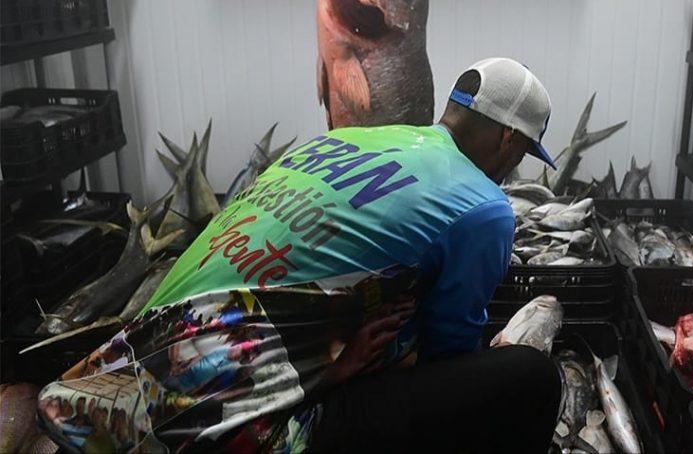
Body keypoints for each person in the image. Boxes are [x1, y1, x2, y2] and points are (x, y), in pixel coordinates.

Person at [38, 58, 562, 453]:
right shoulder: (484, 206)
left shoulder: (347, 140)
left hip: (114, 382)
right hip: (224, 430)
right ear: (508, 140)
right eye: (521, 151)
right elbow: (451, 356)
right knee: (531, 377)